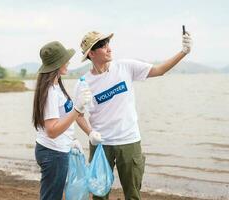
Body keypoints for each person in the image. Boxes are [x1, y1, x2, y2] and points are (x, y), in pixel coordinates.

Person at [76, 31, 192, 200]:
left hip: (129, 141)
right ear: (91, 54)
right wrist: (90, 133)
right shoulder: (83, 83)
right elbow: (78, 115)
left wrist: (184, 51)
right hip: (101, 145)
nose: (108, 48)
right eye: (102, 46)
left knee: (133, 195)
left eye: (107, 43)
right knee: (99, 194)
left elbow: (159, 70)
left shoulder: (125, 67)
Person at [32, 41, 99, 200]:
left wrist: (72, 139)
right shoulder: (50, 92)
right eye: (65, 59)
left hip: (57, 150)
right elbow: (52, 131)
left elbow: (61, 120)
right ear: (57, 64)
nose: (68, 62)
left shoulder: (56, 87)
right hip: (52, 152)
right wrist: (77, 109)